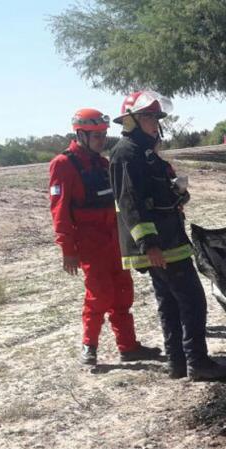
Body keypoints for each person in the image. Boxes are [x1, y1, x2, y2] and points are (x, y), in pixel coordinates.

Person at [108, 90, 226, 381]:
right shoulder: (127, 153)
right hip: (159, 245)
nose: (155, 122)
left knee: (171, 303)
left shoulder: (147, 153)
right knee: (192, 301)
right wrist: (148, 244)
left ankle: (177, 364)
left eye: (156, 116)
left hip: (170, 240)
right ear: (132, 120)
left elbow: (155, 195)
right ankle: (197, 362)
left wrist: (178, 194)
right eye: (149, 116)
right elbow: (130, 203)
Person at [48, 108, 160, 367]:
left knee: (123, 293)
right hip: (90, 242)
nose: (101, 139)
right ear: (80, 134)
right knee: (99, 294)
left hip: (115, 239)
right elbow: (59, 209)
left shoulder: (102, 163)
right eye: (95, 135)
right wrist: (67, 249)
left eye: (103, 134)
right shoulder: (63, 164)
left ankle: (128, 347)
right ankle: (90, 345)